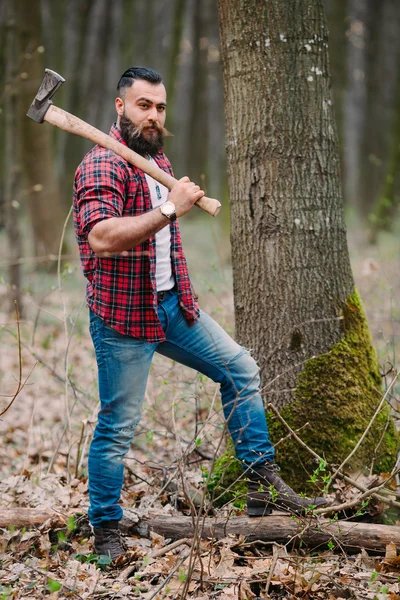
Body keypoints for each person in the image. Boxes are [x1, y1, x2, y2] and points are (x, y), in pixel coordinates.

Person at [73, 67, 327, 560]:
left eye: (160, 107)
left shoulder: (154, 158)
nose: (154, 115)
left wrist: (171, 204)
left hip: (171, 307)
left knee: (240, 368)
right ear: (120, 106)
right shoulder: (102, 164)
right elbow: (101, 238)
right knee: (118, 425)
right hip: (124, 319)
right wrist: (171, 208)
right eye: (143, 104)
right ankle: (104, 526)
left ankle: (262, 489)